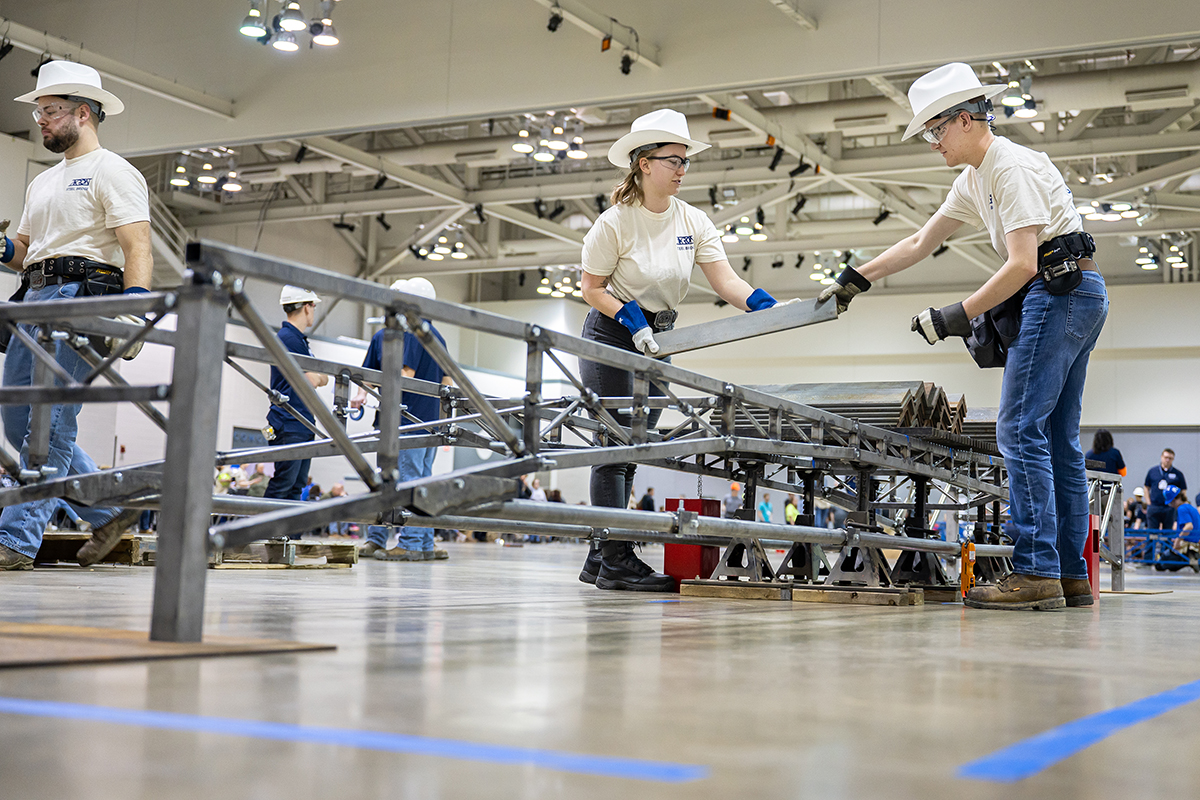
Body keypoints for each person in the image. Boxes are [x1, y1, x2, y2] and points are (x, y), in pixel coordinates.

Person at [819, 63, 1108, 611]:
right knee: (1058, 440)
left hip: (1059, 292)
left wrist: (958, 314)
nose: (932, 144)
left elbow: (1023, 263)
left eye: (935, 130)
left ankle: (1035, 570)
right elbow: (920, 241)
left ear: (967, 120)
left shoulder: (1010, 167)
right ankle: (1069, 575)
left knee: (1019, 429)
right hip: (1077, 293)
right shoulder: (976, 177)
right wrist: (857, 278)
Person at [574, 109, 792, 592]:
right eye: (673, 160)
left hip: (661, 340)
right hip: (613, 335)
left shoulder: (693, 220)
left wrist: (770, 307)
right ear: (643, 163)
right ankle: (614, 560)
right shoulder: (615, 223)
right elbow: (591, 287)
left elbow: (727, 280)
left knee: (636, 448)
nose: (682, 169)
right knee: (614, 449)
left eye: (685, 160)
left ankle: (599, 553)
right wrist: (629, 318)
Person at [0, 62, 151, 571]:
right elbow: (27, 251)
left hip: (81, 299)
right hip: (34, 297)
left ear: (83, 113)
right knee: (18, 414)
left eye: (49, 111)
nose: (40, 120)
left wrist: (132, 312)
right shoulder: (42, 182)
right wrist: (2, 247)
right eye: (39, 111)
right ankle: (111, 508)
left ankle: (16, 539)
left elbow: (137, 245)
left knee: (51, 419)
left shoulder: (113, 170)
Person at [350, 277, 452, 562]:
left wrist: (365, 394)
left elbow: (403, 378)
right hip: (429, 423)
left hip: (405, 423)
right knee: (419, 482)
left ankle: (407, 542)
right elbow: (447, 381)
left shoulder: (405, 335)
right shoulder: (435, 337)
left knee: (398, 483)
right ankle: (420, 542)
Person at [262, 286, 329, 506]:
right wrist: (316, 377)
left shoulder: (299, 341)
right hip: (289, 422)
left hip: (300, 422)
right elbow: (312, 380)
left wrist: (317, 377)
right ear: (307, 307)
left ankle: (288, 538)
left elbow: (322, 378)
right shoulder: (288, 338)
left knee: (296, 486)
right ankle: (263, 533)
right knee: (284, 482)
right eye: (314, 306)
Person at [1144, 449, 1186, 530]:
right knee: (1152, 534)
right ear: (1161, 457)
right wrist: (1149, 503)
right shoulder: (1152, 471)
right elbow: (1146, 488)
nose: (1167, 460)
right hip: (1154, 506)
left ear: (1173, 459)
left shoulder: (1178, 474)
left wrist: (1179, 506)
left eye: (1170, 458)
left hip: (1169, 508)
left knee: (1167, 533)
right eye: (1166, 457)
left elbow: (1183, 491)